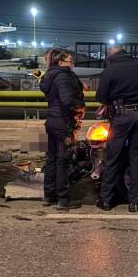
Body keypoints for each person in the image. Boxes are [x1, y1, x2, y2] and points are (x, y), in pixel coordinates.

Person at [95, 45, 138, 212]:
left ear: (111, 56)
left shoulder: (111, 69)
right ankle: (135, 201)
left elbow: (100, 96)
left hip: (121, 117)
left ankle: (106, 200)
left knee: (113, 158)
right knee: (137, 159)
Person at [39, 49, 85, 210]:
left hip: (52, 121)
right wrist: (78, 106)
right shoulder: (63, 76)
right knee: (62, 161)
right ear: (61, 63)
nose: (72, 64)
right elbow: (67, 101)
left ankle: (48, 196)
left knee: (51, 160)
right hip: (62, 123)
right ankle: (63, 200)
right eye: (69, 61)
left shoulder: (50, 76)